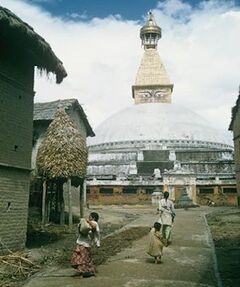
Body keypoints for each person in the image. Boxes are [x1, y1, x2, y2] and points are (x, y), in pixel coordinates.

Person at [71, 212, 100, 278]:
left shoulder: (95, 223)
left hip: (86, 244)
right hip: (80, 242)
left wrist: (87, 221)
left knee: (82, 259)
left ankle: (82, 273)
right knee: (80, 258)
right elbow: (80, 229)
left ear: (93, 218)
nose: (88, 217)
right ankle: (84, 272)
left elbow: (94, 228)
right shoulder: (87, 223)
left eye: (90, 216)